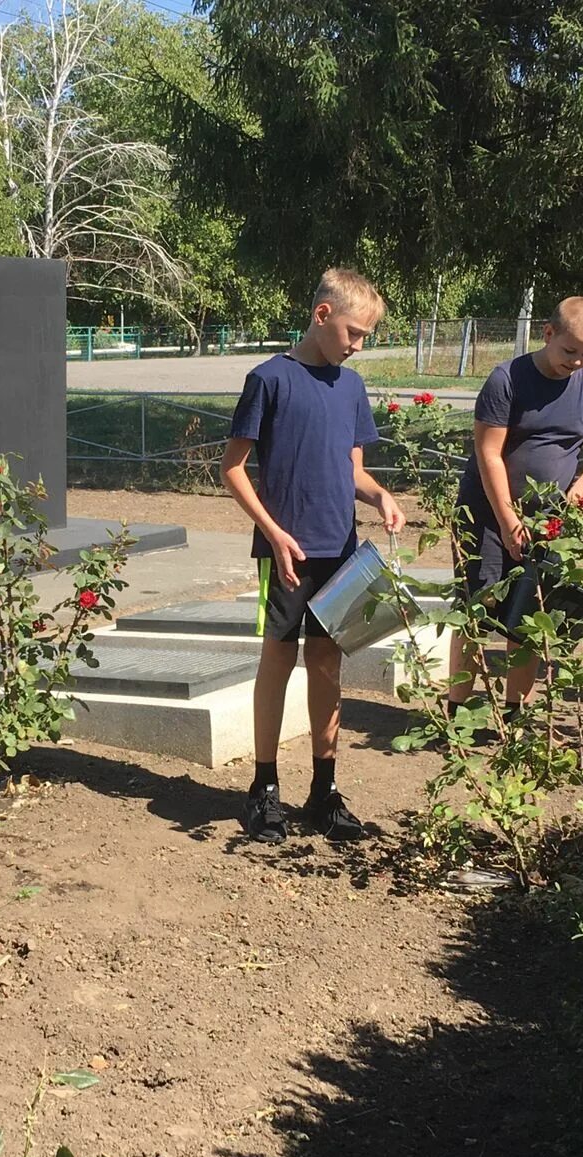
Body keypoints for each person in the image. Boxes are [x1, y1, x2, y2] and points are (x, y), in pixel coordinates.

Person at [220, 268, 406, 844]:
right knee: (277, 661)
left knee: (327, 664)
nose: (358, 346)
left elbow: (351, 469)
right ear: (323, 316)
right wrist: (274, 534)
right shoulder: (269, 379)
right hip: (286, 554)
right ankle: (264, 786)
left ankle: (323, 789)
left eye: (366, 338)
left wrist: (380, 495)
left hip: (341, 551)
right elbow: (231, 468)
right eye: (354, 333)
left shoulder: (350, 387)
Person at [449, 297, 583, 713]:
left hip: (550, 520)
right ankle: (458, 710)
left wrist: (580, 489)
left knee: (530, 615)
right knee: (477, 607)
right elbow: (488, 453)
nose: (578, 362)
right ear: (547, 334)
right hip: (487, 513)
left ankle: (517, 714)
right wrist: (508, 519)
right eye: (570, 351)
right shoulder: (506, 380)